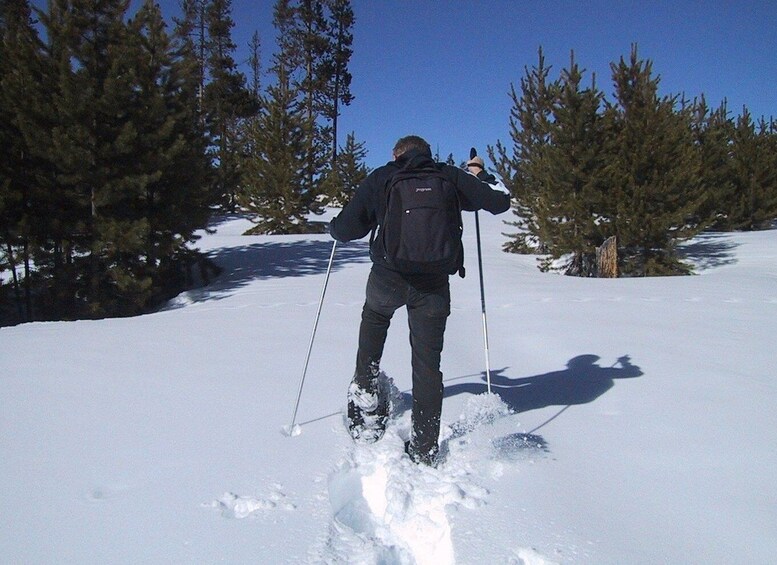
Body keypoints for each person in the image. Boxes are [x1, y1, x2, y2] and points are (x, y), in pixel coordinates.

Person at [329, 135, 510, 465]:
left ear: (397, 154)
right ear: (428, 153)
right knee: (428, 364)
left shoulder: (383, 177)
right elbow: (500, 202)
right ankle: (425, 448)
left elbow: (347, 228)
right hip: (434, 284)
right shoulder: (449, 177)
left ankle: (368, 398)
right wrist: (478, 175)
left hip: (388, 277)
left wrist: (334, 228)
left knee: (374, 319)